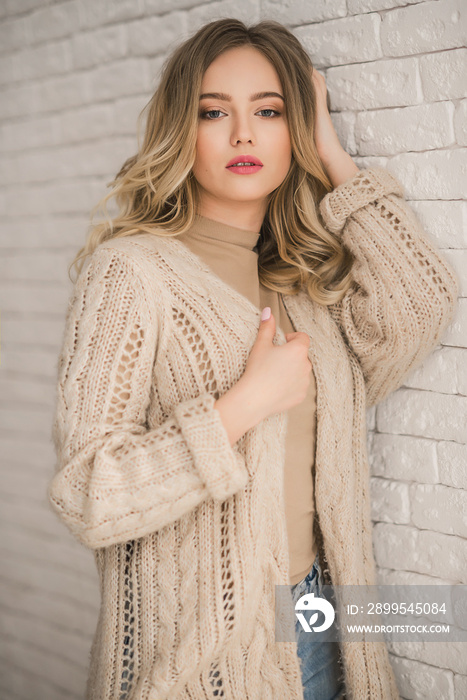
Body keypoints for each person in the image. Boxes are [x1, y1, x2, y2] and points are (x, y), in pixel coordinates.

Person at [47, 17, 458, 700]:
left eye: (270, 112)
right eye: (214, 113)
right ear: (184, 129)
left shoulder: (300, 283)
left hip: (324, 625)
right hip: (199, 669)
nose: (243, 135)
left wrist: (332, 155)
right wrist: (240, 407)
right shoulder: (132, 272)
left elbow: (421, 304)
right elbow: (91, 495)